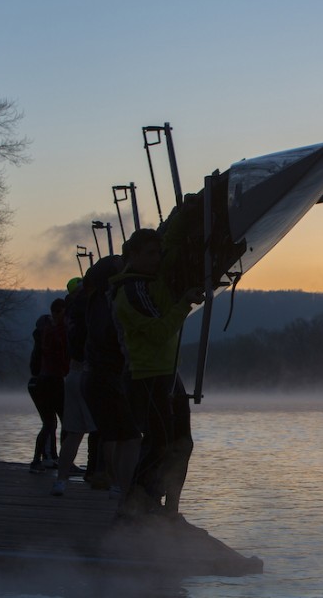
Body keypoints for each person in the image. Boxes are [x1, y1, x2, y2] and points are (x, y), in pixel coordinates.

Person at [110, 222, 203, 519]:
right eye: (150, 254)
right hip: (146, 378)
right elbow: (160, 332)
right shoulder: (131, 292)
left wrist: (183, 218)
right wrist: (184, 304)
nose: (157, 259)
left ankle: (170, 509)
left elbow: (170, 243)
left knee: (182, 444)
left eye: (158, 253)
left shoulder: (152, 280)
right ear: (133, 254)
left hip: (167, 373)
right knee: (158, 446)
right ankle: (134, 507)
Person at [81, 254, 142, 511]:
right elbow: (118, 341)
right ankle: (126, 494)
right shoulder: (110, 304)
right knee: (130, 438)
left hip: (94, 377)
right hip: (108, 378)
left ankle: (117, 487)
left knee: (115, 435)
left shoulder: (93, 302)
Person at [50, 278, 95, 496]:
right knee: (111, 433)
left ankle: (60, 481)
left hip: (72, 374)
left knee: (74, 433)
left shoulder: (68, 316)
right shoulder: (90, 310)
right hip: (90, 374)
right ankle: (114, 483)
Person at [28, 299, 69, 473]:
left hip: (41, 381)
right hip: (52, 380)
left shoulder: (42, 334)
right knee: (59, 422)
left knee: (51, 422)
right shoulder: (56, 332)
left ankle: (46, 458)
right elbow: (63, 356)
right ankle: (56, 460)